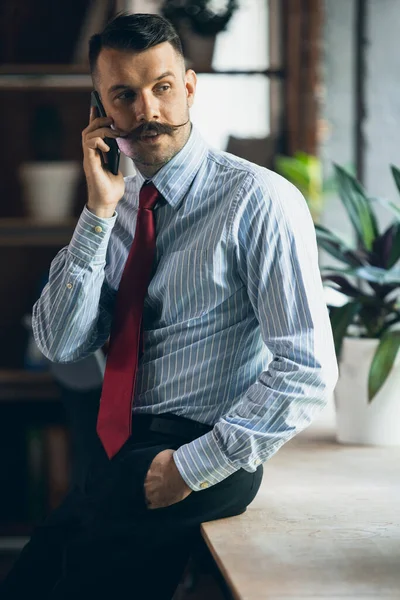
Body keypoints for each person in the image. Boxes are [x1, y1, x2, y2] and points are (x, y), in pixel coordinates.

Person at [2, 12, 338, 599]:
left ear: (188, 87)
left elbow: (308, 368)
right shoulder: (115, 207)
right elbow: (60, 344)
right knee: (30, 582)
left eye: (161, 87)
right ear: (99, 110)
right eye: (124, 95)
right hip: (120, 452)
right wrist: (97, 213)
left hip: (198, 446)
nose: (148, 110)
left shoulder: (259, 201)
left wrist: (190, 467)